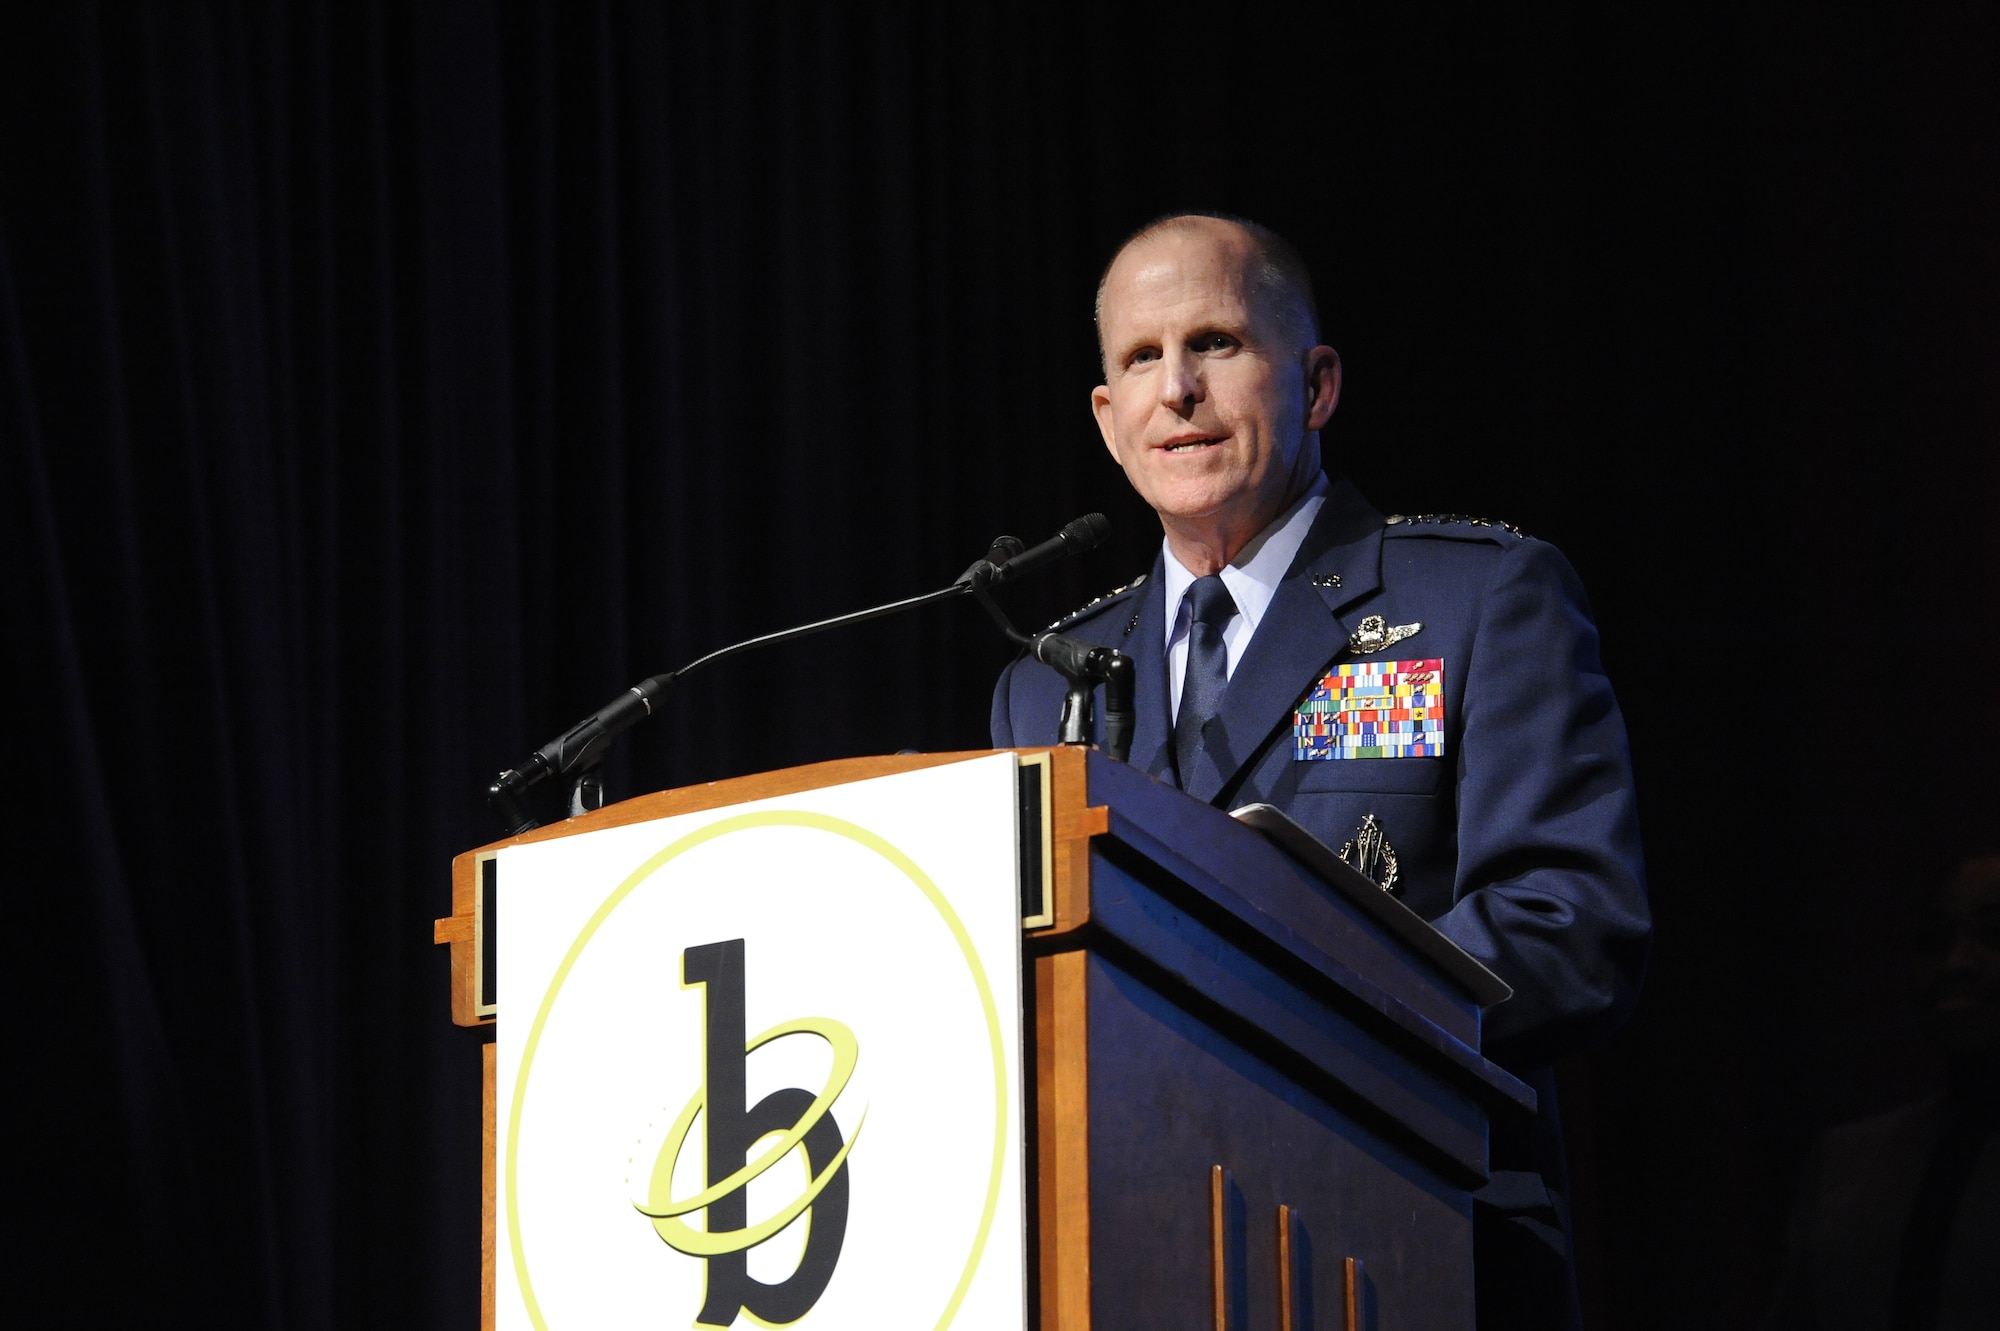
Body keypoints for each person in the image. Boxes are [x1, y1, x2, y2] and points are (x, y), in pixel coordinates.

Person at [990, 212, 1652, 1329]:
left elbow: (1569, 924)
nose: (1178, 390)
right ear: (1107, 420)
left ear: (1315, 383)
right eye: (1140, 359)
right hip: (1128, 1259)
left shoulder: (1478, 599)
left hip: (1408, 1240)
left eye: (1216, 343)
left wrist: (1283, 1008)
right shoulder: (1042, 685)